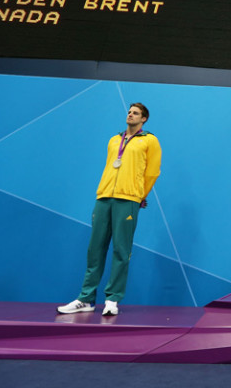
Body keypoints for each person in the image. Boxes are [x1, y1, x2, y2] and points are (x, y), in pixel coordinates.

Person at [57, 103, 162, 316]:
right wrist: (103, 191)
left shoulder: (150, 140)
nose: (130, 115)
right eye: (129, 112)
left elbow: (152, 172)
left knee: (121, 251)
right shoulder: (115, 139)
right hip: (104, 197)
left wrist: (140, 195)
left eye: (135, 113)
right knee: (95, 250)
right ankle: (86, 298)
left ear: (144, 119)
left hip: (128, 199)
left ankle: (112, 299)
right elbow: (110, 165)